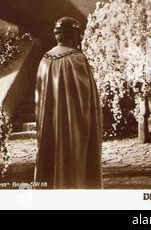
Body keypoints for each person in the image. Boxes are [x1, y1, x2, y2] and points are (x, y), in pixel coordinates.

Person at [34, 17, 102, 189]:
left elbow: (40, 97)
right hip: (72, 125)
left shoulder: (45, 59)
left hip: (50, 123)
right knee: (75, 153)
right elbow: (87, 98)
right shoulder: (76, 58)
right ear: (74, 35)